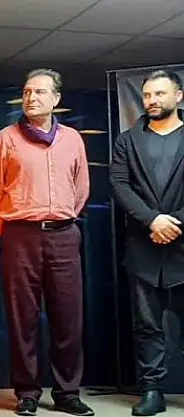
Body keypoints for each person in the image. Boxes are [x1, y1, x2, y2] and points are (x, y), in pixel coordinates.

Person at [0, 69, 94, 416]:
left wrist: (61, 216)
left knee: (68, 316)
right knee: (23, 317)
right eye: (27, 92)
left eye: (40, 92)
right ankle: (27, 392)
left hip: (64, 234)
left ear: (56, 99)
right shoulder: (6, 139)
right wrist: (12, 221)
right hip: (20, 235)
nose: (31, 98)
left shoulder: (73, 139)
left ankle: (67, 392)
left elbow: (81, 189)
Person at [109, 69, 184, 417]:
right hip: (143, 246)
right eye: (148, 95)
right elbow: (119, 185)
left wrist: (174, 223)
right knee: (147, 325)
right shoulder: (127, 140)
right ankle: (152, 391)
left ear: (178, 96)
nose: (152, 100)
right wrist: (152, 220)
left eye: (160, 94)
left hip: (183, 246)